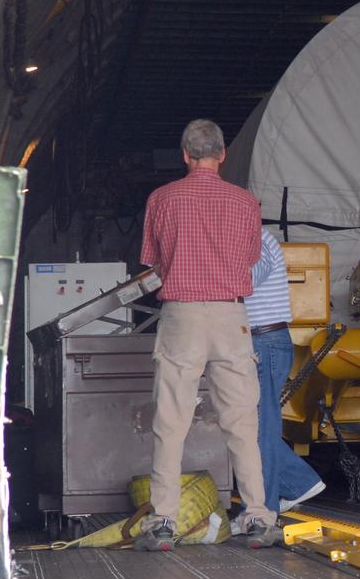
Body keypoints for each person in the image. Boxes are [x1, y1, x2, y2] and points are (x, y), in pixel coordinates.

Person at [136, 119, 279, 551]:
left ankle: (163, 523)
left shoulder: (162, 199)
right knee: (242, 423)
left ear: (184, 154)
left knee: (171, 422)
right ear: (222, 155)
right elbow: (252, 257)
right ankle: (256, 517)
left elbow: (154, 260)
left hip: (181, 316)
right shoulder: (245, 202)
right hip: (231, 318)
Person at [246, 228, 324, 516]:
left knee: (258, 425)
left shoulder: (255, 239)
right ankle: (295, 483)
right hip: (259, 339)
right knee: (252, 424)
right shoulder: (251, 238)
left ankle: (266, 505)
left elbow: (248, 280)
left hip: (263, 340)